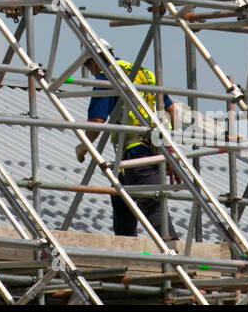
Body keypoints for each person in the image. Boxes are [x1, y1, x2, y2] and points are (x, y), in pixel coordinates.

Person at [74, 54, 179, 239]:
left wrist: (83, 145)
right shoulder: (144, 73)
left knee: (151, 202)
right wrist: (168, 146)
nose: (92, 73)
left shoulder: (106, 76)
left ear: (92, 62)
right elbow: (170, 109)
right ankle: (126, 245)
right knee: (120, 197)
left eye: (89, 68)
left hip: (136, 152)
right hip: (154, 148)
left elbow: (97, 121)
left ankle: (172, 252)